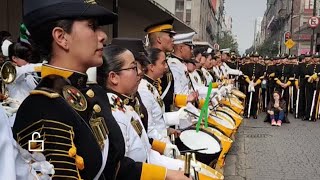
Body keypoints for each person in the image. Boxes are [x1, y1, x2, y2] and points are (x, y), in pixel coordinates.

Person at [12, 0, 120, 179]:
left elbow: (114, 164)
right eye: (92, 26)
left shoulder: (93, 92)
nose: (103, 36)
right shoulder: (42, 108)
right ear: (61, 38)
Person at [98, 45, 192, 180]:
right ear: (113, 77)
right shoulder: (113, 112)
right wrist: (167, 174)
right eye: (133, 68)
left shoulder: (125, 104)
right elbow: (121, 168)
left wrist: (177, 166)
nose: (140, 72)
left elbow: (146, 151)